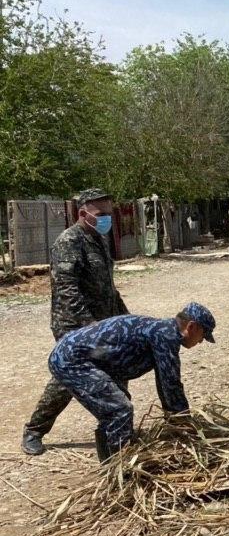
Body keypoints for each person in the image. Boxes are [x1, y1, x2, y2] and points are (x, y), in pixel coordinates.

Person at [21, 188, 129, 456]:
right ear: (83, 214)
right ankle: (34, 430)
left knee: (117, 369)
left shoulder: (99, 239)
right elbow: (68, 290)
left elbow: (108, 287)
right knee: (68, 378)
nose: (107, 219)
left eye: (109, 214)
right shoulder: (68, 242)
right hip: (73, 324)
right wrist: (90, 329)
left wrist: (124, 319)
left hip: (102, 322)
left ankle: (118, 429)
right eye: (101, 214)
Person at [48, 304, 216, 461]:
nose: (201, 341)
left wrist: (177, 422)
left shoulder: (164, 330)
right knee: (119, 410)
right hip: (71, 360)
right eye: (203, 335)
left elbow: (164, 383)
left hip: (78, 356)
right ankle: (117, 466)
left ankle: (110, 453)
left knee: (116, 404)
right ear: (191, 327)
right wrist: (186, 424)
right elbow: (171, 385)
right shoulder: (166, 336)